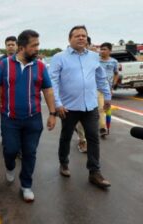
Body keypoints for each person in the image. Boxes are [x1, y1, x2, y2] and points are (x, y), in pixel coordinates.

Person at [0, 30, 56, 202]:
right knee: (10, 150)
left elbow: (48, 90)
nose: (37, 48)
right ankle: (10, 167)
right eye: (33, 45)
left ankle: (26, 185)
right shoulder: (4, 65)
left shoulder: (40, 66)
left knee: (30, 152)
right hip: (9, 118)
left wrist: (52, 113)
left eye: (38, 45)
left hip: (33, 119)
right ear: (21, 47)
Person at [49, 25, 112, 189]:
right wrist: (57, 104)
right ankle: (64, 163)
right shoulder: (59, 57)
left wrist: (107, 96)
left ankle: (94, 172)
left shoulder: (93, 56)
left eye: (84, 35)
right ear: (69, 39)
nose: (81, 38)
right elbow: (53, 82)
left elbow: (100, 77)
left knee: (93, 138)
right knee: (66, 136)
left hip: (90, 106)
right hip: (68, 108)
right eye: (77, 35)